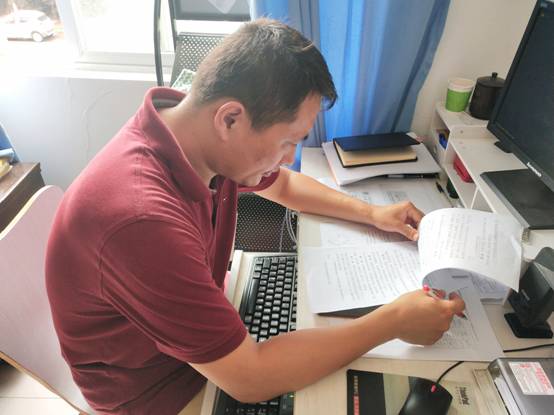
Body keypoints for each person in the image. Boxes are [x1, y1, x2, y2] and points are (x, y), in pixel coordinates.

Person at [45, 18, 465, 415]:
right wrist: (392, 321)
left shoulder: (192, 134)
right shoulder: (143, 222)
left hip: (190, 345)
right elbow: (250, 379)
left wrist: (373, 214)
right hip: (158, 391)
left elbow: (283, 185)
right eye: (287, 142)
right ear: (230, 119)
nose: (289, 158)